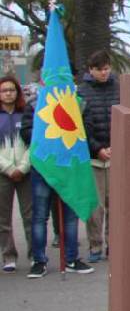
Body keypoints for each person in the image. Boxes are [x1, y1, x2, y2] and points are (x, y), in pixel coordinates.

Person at [19, 90, 92, 276]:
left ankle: (71, 259)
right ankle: (39, 260)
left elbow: (86, 129)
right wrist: (48, 139)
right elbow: (26, 131)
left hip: (69, 166)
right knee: (39, 216)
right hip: (43, 166)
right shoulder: (34, 104)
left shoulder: (78, 103)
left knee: (70, 216)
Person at [77, 50, 119, 263]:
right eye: (99, 69)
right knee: (96, 206)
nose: (104, 73)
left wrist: (115, 146)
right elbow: (80, 126)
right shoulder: (82, 93)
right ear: (90, 70)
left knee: (115, 204)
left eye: (106, 68)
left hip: (117, 156)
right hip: (93, 157)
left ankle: (114, 244)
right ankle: (95, 245)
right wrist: (97, 149)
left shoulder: (119, 88)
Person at [0, 74, 32, 272]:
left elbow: (33, 142)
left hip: (25, 172)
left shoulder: (26, 113)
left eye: (12, 90)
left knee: (30, 216)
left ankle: (34, 255)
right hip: (3, 173)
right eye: (4, 90)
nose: (8, 93)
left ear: (17, 92)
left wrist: (22, 167)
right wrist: (9, 168)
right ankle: (9, 256)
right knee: (3, 218)